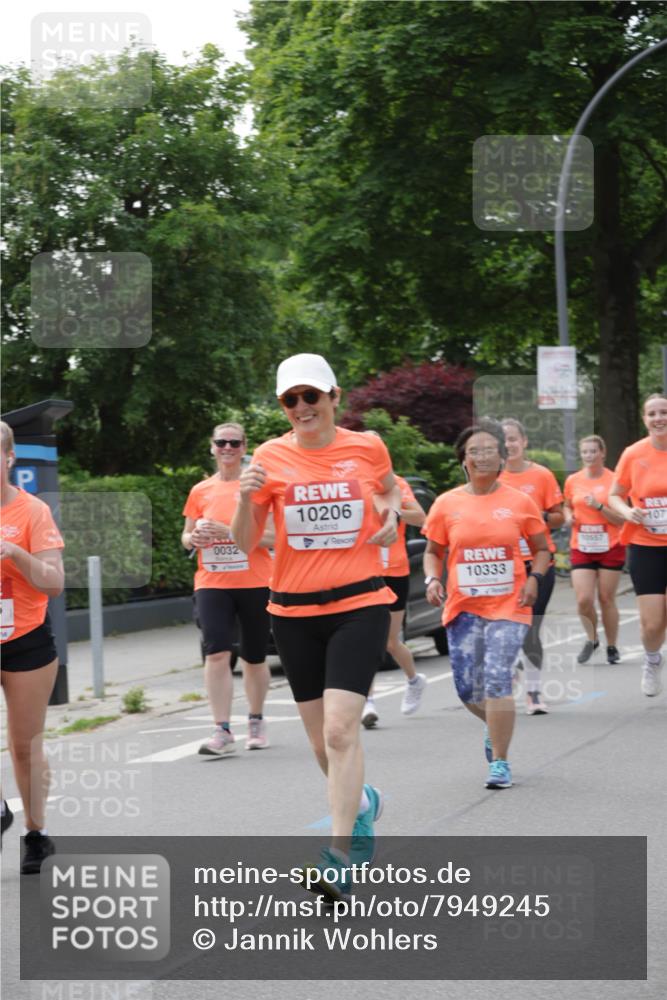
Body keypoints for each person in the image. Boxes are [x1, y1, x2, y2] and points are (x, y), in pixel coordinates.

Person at [232, 354, 400, 900]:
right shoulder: (268, 457)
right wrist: (243, 496)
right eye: (290, 400)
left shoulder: (367, 445)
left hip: (360, 604)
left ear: (333, 395)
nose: (302, 408)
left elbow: (388, 488)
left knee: (339, 730)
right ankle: (364, 805)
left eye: (311, 396)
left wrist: (391, 515)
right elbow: (242, 541)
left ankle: (338, 859)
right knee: (322, 747)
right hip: (293, 613)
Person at [423, 421, 550, 790]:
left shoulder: (519, 502)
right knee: (466, 689)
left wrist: (534, 579)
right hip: (464, 606)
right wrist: (433, 579)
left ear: (502, 457)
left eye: (489, 450)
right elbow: (433, 552)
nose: (481, 457)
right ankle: (495, 725)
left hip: (510, 603)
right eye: (473, 451)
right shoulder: (447, 504)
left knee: (497, 678)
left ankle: (500, 762)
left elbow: (542, 549)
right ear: (463, 459)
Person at [182, 422, 274, 754]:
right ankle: (221, 730)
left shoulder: (258, 488)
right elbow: (186, 535)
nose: (228, 447)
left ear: (244, 446)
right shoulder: (200, 490)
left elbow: (276, 537)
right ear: (212, 446)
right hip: (212, 582)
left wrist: (229, 532)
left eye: (234, 442)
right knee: (217, 652)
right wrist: (193, 538)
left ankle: (256, 719)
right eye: (221, 442)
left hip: (255, 581)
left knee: (253, 657)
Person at [1, 421, 65, 873]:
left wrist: (15, 555)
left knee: (24, 746)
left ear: (8, 459)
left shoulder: (32, 512)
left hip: (25, 641)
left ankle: (36, 834)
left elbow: (55, 583)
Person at [361, 435, 427, 728]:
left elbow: (421, 517)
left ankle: (414, 679)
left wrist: (394, 512)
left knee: (389, 641)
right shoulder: (351, 484)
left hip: (394, 569)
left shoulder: (396, 484)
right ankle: (367, 702)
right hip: (362, 570)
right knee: (364, 639)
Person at [499, 418, 564, 715]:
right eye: (503, 439)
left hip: (538, 561)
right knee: (508, 625)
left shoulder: (542, 476)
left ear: (524, 442)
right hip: (504, 565)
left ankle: (534, 692)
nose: (509, 444)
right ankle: (512, 666)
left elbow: (559, 516)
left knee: (531, 627)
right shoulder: (492, 479)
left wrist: (535, 517)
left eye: (513, 438)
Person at [608, 394, 667, 697]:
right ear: (645, 420)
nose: (659, 418)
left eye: (664, 412)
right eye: (652, 414)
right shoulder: (634, 454)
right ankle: (653, 659)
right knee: (654, 623)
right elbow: (614, 494)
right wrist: (627, 512)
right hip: (646, 544)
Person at [564, 435, 626, 664]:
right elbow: (567, 505)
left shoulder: (615, 480)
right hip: (582, 545)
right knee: (583, 599)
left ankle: (612, 646)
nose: (589, 456)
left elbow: (621, 519)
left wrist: (600, 507)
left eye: (593, 451)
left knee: (606, 597)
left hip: (610, 545)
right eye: (585, 452)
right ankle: (592, 639)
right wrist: (569, 517)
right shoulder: (573, 480)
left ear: (602, 453)